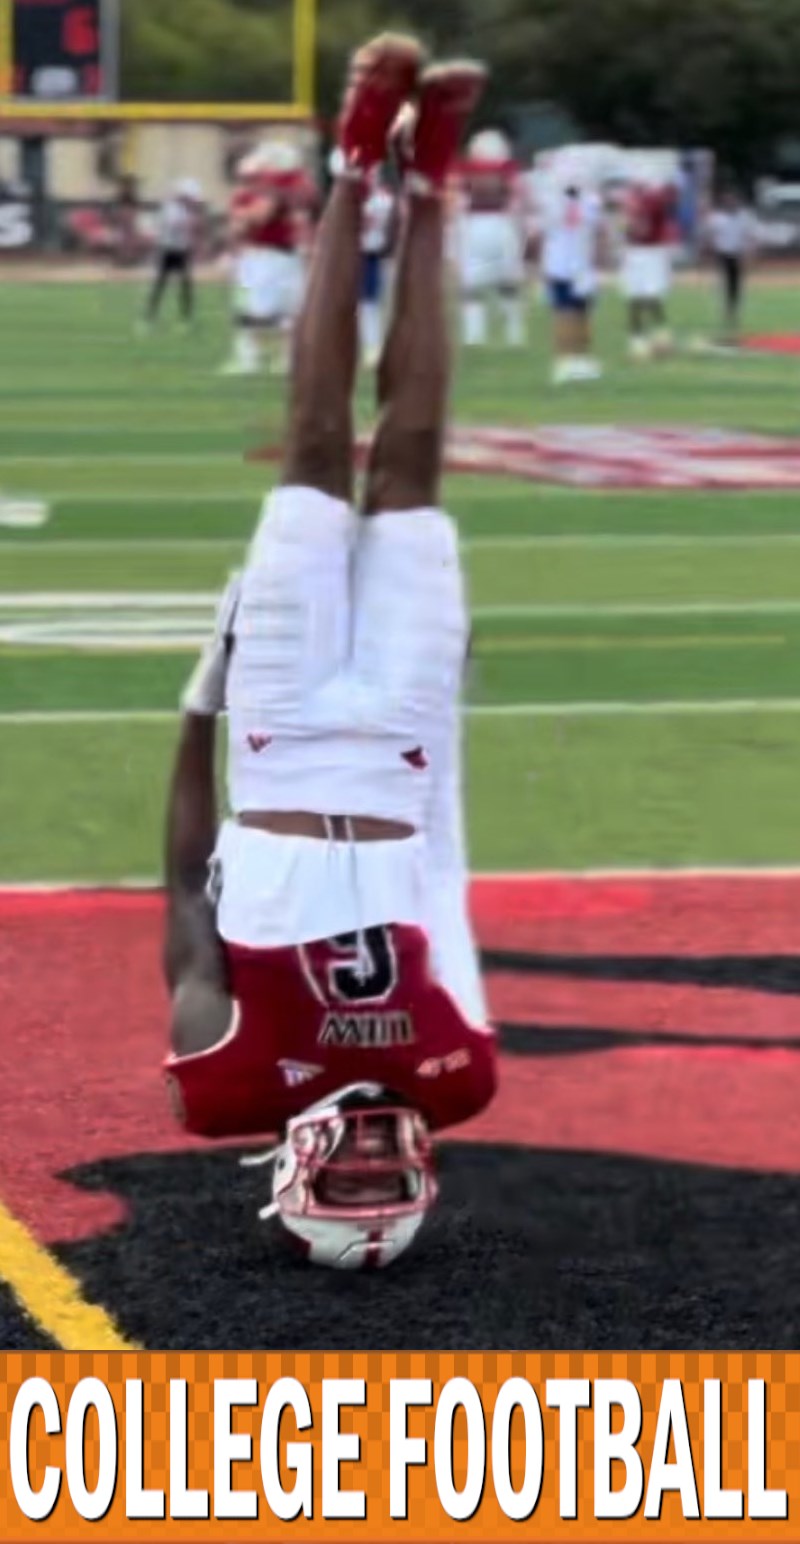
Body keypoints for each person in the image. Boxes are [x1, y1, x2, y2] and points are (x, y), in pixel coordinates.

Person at [162, 34, 498, 1271]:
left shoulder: (226, 1081)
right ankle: (433, 183)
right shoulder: (457, 1075)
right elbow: (449, 884)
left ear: (291, 1177)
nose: (369, 1153)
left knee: (312, 449)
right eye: (384, 1181)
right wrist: (445, 715)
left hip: (284, 744)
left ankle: (357, 164)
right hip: (401, 758)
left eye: (347, 1180)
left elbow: (183, 888)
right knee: (412, 459)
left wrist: (197, 700)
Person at [219, 141, 316, 377]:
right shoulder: (297, 185)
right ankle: (277, 358)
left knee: (262, 310)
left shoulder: (281, 187)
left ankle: (254, 358)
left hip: (268, 254)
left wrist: (241, 216)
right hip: (278, 253)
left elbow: (260, 215)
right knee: (283, 311)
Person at [453, 128, 527, 348]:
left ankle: (477, 333)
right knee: (504, 280)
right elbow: (517, 198)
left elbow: (457, 199)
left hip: (479, 224)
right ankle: (512, 332)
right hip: (496, 223)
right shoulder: (506, 171)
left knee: (477, 283)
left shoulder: (468, 172)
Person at [540, 178, 604, 385]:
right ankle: (563, 361)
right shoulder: (553, 203)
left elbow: (597, 231)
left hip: (582, 267)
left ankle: (581, 359)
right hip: (560, 267)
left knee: (583, 314)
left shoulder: (590, 203)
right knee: (564, 314)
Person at [621, 176, 678, 360]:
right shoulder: (636, 201)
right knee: (636, 297)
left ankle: (657, 337)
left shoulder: (651, 201)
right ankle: (641, 340)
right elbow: (632, 230)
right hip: (637, 252)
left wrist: (627, 225)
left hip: (651, 252)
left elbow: (641, 230)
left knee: (649, 296)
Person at [139, 179, 204, 332]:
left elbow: (191, 230)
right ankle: (148, 319)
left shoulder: (185, 210)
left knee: (185, 285)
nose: (192, 201)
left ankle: (186, 319)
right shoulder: (171, 207)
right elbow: (174, 224)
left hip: (181, 250)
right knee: (160, 285)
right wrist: (190, 220)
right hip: (168, 250)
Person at [705, 187, 758, 346]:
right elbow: (711, 236)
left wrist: (748, 254)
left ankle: (734, 311)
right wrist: (710, 252)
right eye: (727, 200)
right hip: (723, 254)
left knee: (735, 284)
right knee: (722, 283)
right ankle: (724, 311)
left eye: (733, 200)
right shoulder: (717, 218)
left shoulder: (744, 217)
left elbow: (749, 236)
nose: (730, 203)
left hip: (737, 253)